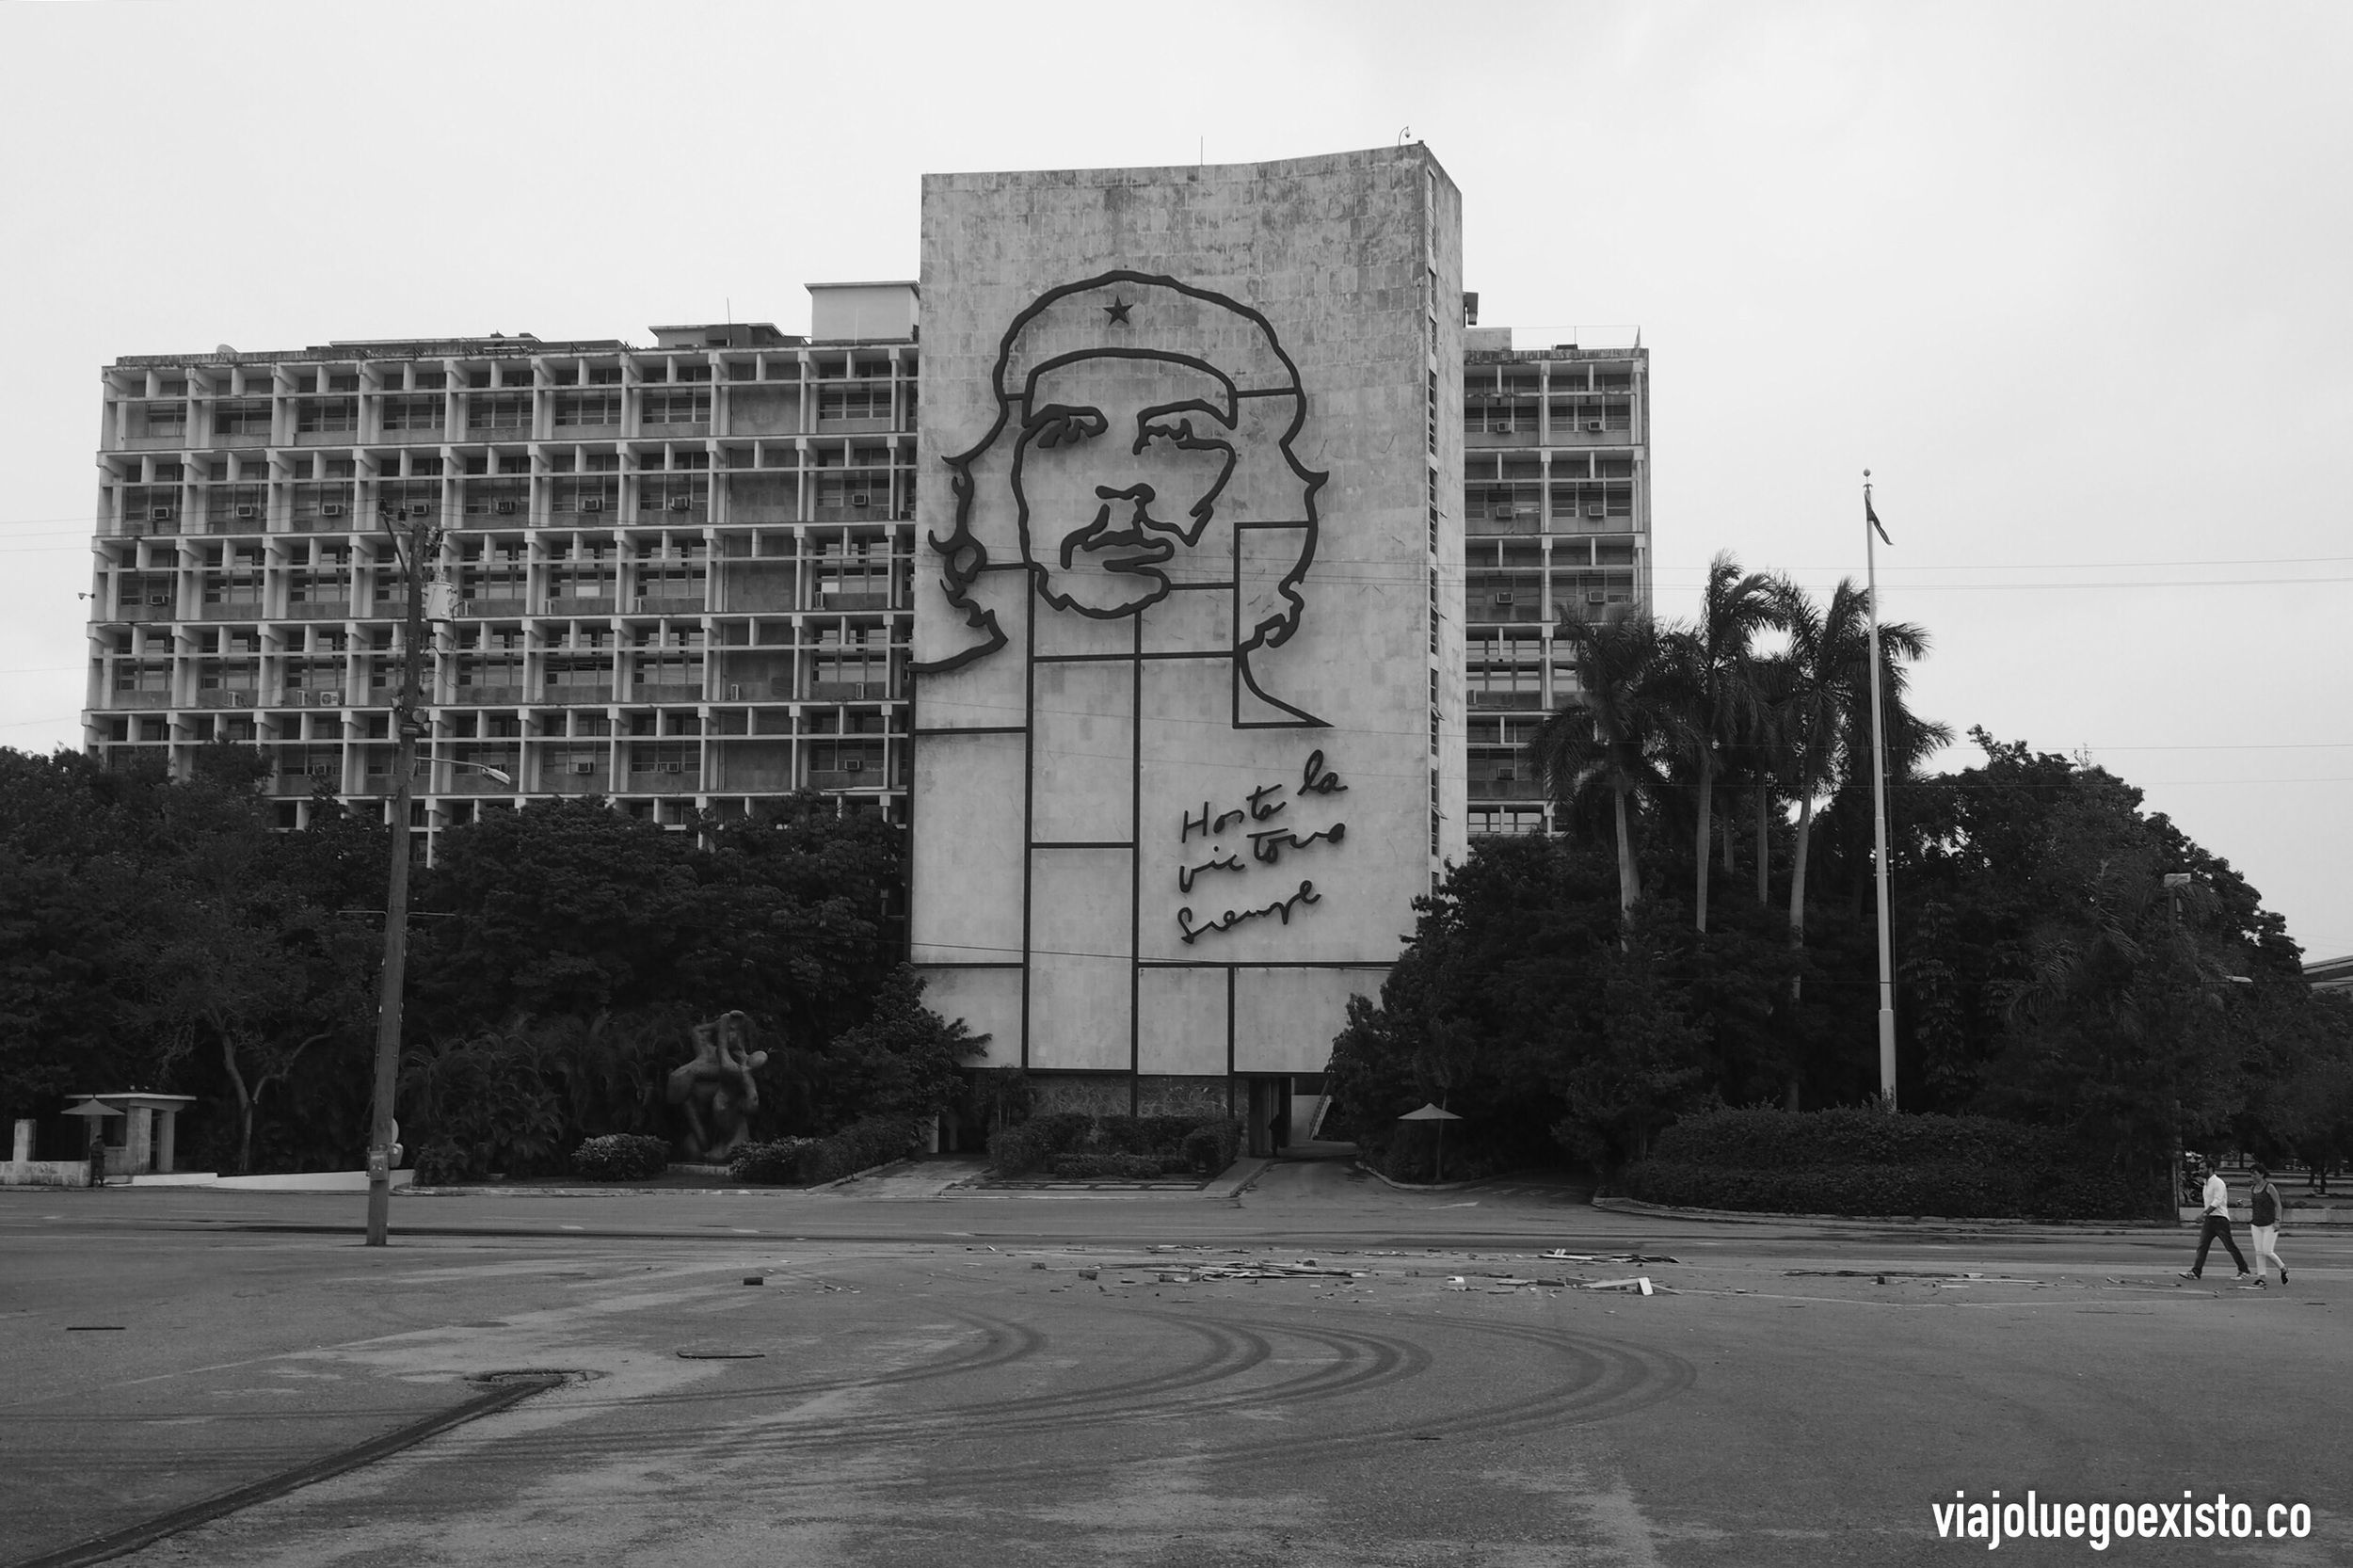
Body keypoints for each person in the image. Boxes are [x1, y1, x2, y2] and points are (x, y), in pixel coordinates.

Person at [2179, 1158, 2251, 1282]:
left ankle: (2244, 1270)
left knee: (2229, 1246)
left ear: (2210, 1169)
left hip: (2220, 1219)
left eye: (2202, 1168)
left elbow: (2217, 1201)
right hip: (2210, 1220)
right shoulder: (2206, 1184)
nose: (2200, 1171)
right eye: (2199, 1168)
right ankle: (2196, 1272)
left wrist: (2204, 1214)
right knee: (2202, 1246)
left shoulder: (2218, 1183)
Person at [2248, 1163, 2289, 1287]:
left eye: (2255, 1174)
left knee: (2267, 1251)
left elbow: (2278, 1204)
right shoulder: (2253, 1188)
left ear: (2262, 1174)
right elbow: (2255, 1204)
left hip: (2269, 1224)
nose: (2253, 1176)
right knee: (2259, 1252)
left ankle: (2283, 1268)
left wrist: (2278, 1220)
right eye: (2251, 1174)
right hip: (2256, 1223)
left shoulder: (2269, 1187)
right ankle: (2262, 1278)